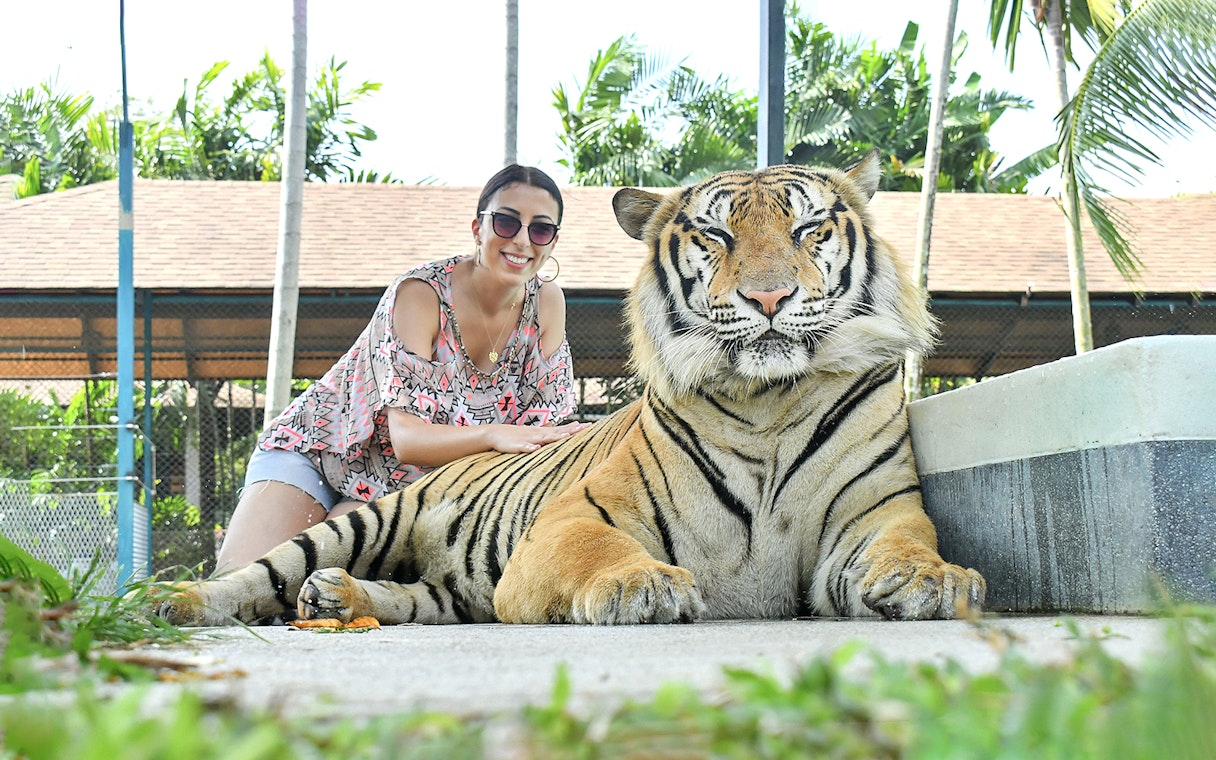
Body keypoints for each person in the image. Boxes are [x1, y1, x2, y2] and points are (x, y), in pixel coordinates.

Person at [215, 164, 590, 573]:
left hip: (403, 495)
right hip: (320, 457)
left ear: (552, 242)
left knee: (312, 596)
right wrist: (494, 433)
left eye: (540, 229)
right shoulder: (421, 294)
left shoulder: (548, 304)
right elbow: (408, 439)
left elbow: (544, 433)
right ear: (477, 228)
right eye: (505, 221)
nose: (521, 240)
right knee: (235, 590)